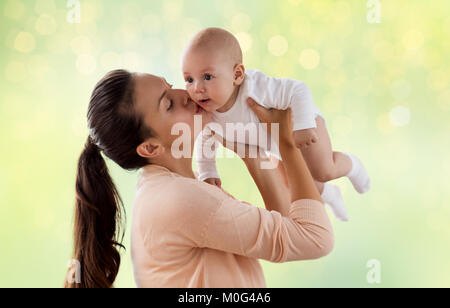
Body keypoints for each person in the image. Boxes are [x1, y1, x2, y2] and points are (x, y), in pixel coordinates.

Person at [65, 69, 334, 288]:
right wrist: (286, 141)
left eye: (170, 85)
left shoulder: (171, 186)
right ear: (150, 148)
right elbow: (315, 238)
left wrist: (250, 149)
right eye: (168, 104)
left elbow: (284, 234)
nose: (186, 94)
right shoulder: (180, 200)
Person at [182, 27, 371, 221]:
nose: (197, 88)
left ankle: (353, 165)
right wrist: (207, 171)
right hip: (276, 146)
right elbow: (205, 137)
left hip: (302, 124)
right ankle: (331, 194)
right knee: (300, 183)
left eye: (207, 77)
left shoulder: (255, 88)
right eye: (189, 79)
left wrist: (304, 125)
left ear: (237, 75)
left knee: (321, 170)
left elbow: (298, 89)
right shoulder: (208, 112)